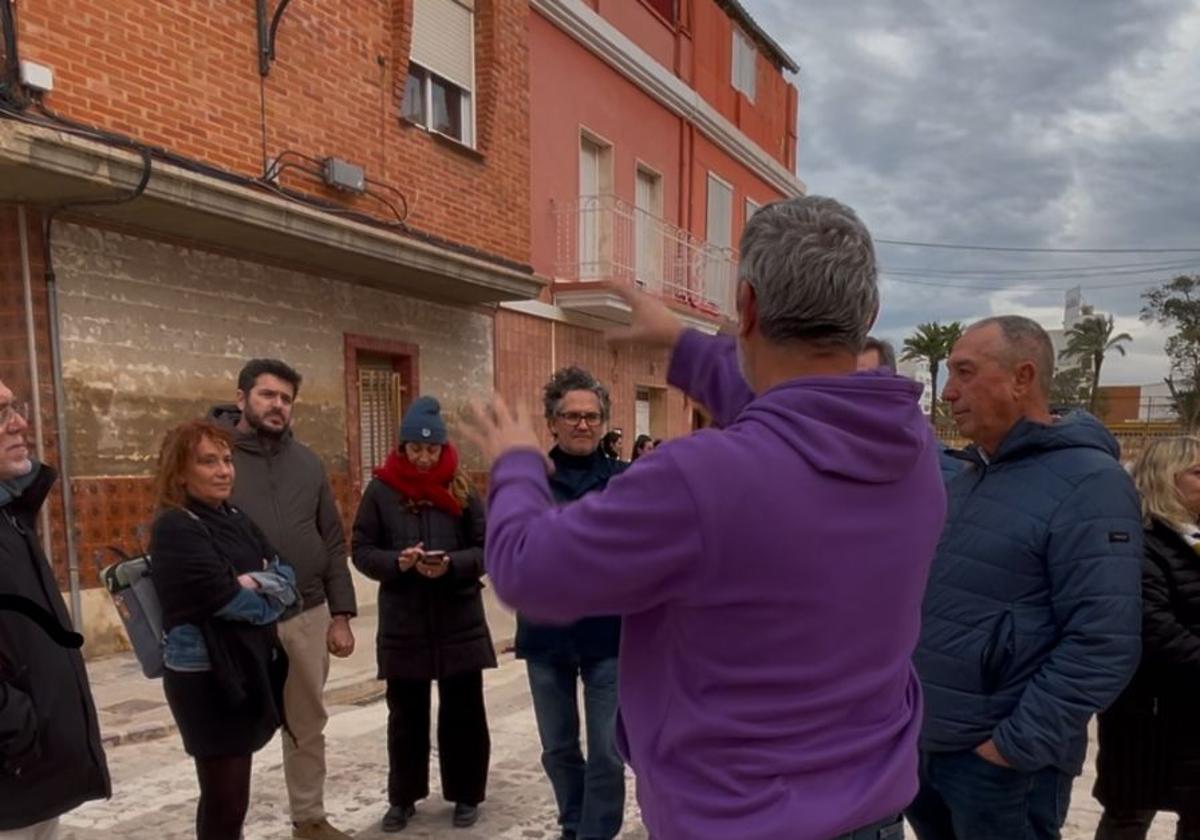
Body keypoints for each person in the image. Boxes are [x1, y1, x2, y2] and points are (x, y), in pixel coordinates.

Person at [467, 196, 946, 840]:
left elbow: (528, 570)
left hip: (737, 820)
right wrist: (682, 347)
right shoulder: (913, 449)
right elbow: (799, 413)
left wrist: (517, 466)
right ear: (870, 315)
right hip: (875, 815)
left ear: (746, 306)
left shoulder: (701, 479)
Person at [906, 316, 1143, 840]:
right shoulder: (971, 477)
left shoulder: (1091, 484)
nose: (948, 392)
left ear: (1023, 377)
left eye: (965, 372)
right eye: (949, 373)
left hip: (1003, 769)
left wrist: (1010, 749)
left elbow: (1104, 642)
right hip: (931, 750)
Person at [210, 359, 357, 840]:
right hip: (240, 621)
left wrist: (341, 615)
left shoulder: (308, 462)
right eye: (267, 395)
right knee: (235, 731)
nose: (277, 406)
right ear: (241, 398)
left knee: (307, 721)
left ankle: (309, 819)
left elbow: (332, 541)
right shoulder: (215, 458)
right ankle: (227, 826)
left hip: (307, 613)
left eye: (286, 399)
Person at [149, 419, 299, 840]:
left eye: (227, 460)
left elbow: (287, 572)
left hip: (241, 666)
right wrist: (265, 590)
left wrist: (256, 581)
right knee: (224, 799)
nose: (223, 470)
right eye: (208, 461)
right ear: (180, 472)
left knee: (232, 798)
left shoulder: (233, 515)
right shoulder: (175, 526)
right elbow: (227, 599)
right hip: (206, 678)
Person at [351, 396, 495, 833]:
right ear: (402, 448)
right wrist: (397, 561)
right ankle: (403, 797)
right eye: (415, 449)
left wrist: (452, 564)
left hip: (459, 618)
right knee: (405, 716)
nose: (424, 457)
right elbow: (362, 549)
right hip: (405, 621)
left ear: (442, 448)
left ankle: (466, 793)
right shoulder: (381, 492)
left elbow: (487, 547)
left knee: (464, 713)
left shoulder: (463, 488)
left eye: (431, 450)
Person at [510, 366, 628, 840]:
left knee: (607, 750)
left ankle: (595, 833)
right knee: (558, 748)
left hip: (610, 636)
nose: (583, 424)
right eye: (572, 416)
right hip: (545, 634)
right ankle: (573, 823)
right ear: (552, 422)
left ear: (603, 423)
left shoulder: (627, 481)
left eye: (592, 416)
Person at [0, 379, 110, 839]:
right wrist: (16, 730)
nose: (20, 422)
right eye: (1, 413)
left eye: (14, 408)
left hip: (33, 772)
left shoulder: (10, 514)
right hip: (13, 770)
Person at [1093, 436, 1200, 840]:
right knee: (1130, 813)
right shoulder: (1138, 543)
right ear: (1165, 480)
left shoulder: (1195, 537)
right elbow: (1153, 627)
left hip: (1193, 713)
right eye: (1197, 472)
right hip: (1147, 714)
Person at [858, 337, 964, 482]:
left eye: (863, 380)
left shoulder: (943, 470)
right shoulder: (823, 461)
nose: (851, 390)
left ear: (890, 386)